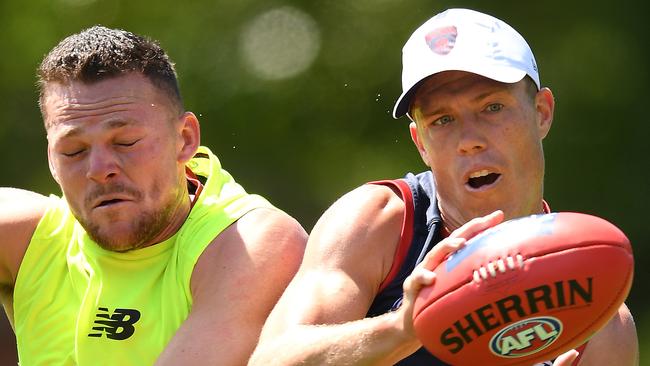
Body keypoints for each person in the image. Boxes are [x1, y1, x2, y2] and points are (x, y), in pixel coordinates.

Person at [249, 8, 638, 366]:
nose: (470, 139)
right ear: (421, 144)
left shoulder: (597, 306)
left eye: (492, 107)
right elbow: (271, 360)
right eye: (442, 120)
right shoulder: (382, 223)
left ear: (541, 113)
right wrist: (402, 329)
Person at [0, 26, 307, 365]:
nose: (100, 169)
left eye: (126, 142)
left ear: (185, 139)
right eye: (73, 151)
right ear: (51, 160)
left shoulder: (248, 243)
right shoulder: (26, 237)